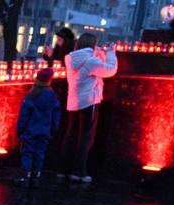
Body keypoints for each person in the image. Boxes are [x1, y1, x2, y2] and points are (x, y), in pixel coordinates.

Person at [61, 33, 117, 183]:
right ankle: (79, 172)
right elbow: (110, 70)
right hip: (88, 102)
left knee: (70, 135)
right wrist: (110, 52)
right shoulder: (91, 61)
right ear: (92, 44)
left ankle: (62, 169)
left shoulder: (71, 58)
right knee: (86, 138)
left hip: (73, 101)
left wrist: (98, 53)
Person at [15, 68, 60, 186]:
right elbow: (55, 116)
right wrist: (53, 130)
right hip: (45, 130)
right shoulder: (53, 96)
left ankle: (25, 176)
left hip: (30, 130)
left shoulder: (31, 96)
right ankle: (36, 177)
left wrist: (20, 130)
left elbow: (23, 116)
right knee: (40, 153)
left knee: (28, 152)